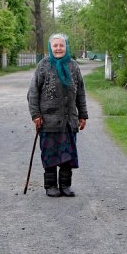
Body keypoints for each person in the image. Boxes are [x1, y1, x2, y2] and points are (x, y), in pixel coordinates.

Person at [27, 33, 89, 197]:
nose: (59, 48)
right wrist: (36, 115)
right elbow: (33, 93)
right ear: (51, 48)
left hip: (69, 121)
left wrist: (82, 115)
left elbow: (80, 93)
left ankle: (65, 186)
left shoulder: (74, 66)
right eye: (55, 45)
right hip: (48, 121)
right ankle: (50, 186)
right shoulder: (43, 66)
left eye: (62, 45)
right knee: (49, 154)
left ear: (66, 47)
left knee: (67, 155)